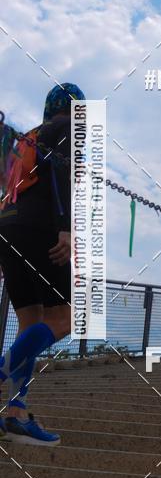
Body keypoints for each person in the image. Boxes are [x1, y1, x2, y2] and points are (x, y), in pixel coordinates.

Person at [0, 83, 84, 444]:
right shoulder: (67, 127)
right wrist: (66, 229)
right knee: (66, 317)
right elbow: (63, 174)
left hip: (7, 225)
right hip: (40, 226)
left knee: (30, 323)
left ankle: (15, 413)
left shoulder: (27, 139)